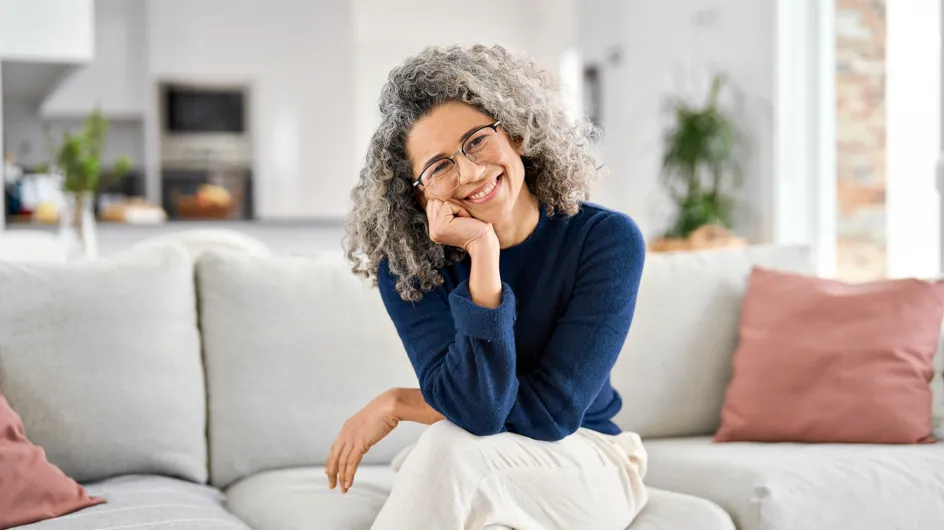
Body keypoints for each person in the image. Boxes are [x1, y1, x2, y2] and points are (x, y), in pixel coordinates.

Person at [332, 44, 649, 529]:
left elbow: (551, 414)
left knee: (446, 449)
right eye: (438, 167)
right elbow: (476, 410)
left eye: (477, 140)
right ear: (419, 195)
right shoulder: (407, 268)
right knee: (457, 460)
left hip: (586, 454)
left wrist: (402, 402)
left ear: (517, 134)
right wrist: (483, 254)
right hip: (472, 451)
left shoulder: (605, 240)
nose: (470, 172)